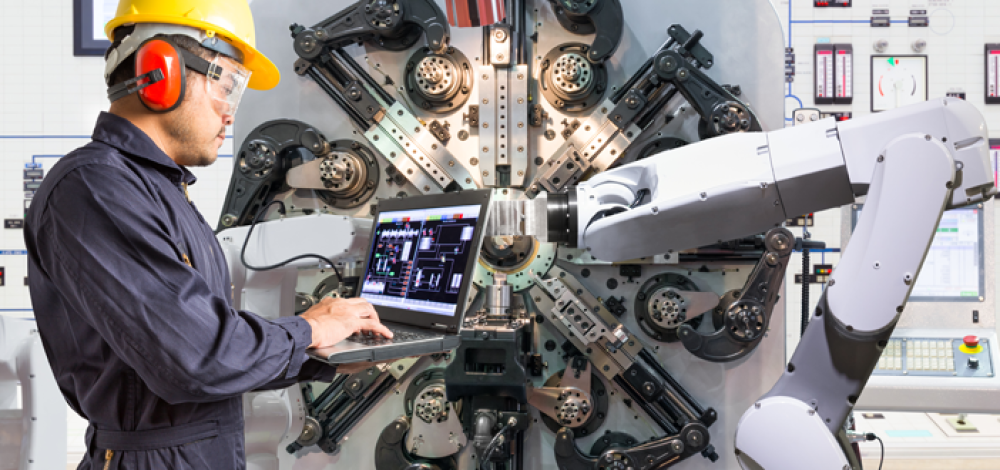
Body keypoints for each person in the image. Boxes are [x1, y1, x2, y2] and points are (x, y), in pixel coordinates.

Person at [23, 1, 392, 468]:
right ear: (161, 72)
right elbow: (196, 357)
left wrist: (321, 354)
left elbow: (210, 348)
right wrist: (310, 328)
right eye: (229, 85)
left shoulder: (160, 190)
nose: (231, 114)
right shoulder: (93, 189)